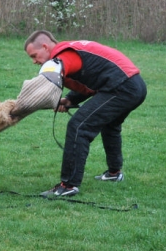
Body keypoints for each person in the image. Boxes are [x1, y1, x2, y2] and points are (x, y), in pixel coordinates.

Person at [23, 30, 147, 198]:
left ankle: (68, 185)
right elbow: (91, 81)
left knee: (79, 126)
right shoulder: (74, 49)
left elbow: (54, 73)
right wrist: (70, 99)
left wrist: (30, 102)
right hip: (134, 84)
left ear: (45, 46)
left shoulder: (63, 54)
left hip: (122, 87)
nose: (34, 61)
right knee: (110, 126)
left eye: (34, 55)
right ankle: (114, 173)